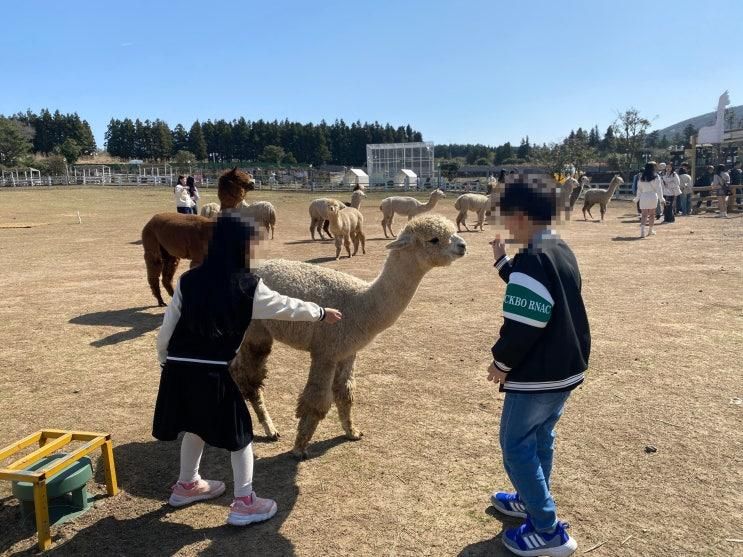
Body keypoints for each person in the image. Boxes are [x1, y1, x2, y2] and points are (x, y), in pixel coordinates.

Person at [152, 211, 342, 525]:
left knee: (195, 426)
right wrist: (321, 312)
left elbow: (166, 329)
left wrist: (165, 361)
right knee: (240, 436)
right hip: (212, 372)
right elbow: (286, 306)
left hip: (178, 368)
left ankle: (187, 485)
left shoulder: (189, 280)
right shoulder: (248, 285)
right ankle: (245, 503)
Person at [487, 174, 590, 557]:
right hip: (565, 368)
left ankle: (547, 530)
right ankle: (529, 500)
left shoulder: (532, 258)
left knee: (515, 445)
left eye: (506, 213)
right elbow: (535, 289)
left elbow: (525, 321)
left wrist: (501, 362)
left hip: (538, 374)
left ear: (522, 215)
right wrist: (501, 263)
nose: (504, 222)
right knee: (541, 437)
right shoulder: (557, 247)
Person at [634, 162, 664, 238]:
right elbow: (659, 189)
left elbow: (639, 189)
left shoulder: (641, 177)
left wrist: (637, 198)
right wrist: (661, 199)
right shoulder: (656, 176)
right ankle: (650, 231)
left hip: (643, 196)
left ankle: (642, 232)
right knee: (652, 215)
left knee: (644, 215)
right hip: (653, 196)